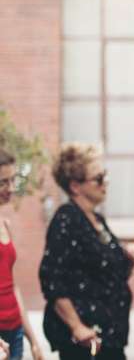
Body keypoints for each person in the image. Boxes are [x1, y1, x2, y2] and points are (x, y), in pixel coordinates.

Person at [40, 143, 134, 360]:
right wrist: (77, 327)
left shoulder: (97, 220)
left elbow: (112, 277)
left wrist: (129, 260)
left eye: (104, 176)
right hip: (86, 342)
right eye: (98, 178)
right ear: (75, 186)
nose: (105, 183)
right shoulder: (66, 219)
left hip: (111, 338)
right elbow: (52, 280)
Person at [0, 149, 44, 360]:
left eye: (12, 181)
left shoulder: (5, 224)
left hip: (15, 332)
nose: (10, 188)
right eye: (2, 182)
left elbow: (12, 287)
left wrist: (32, 340)